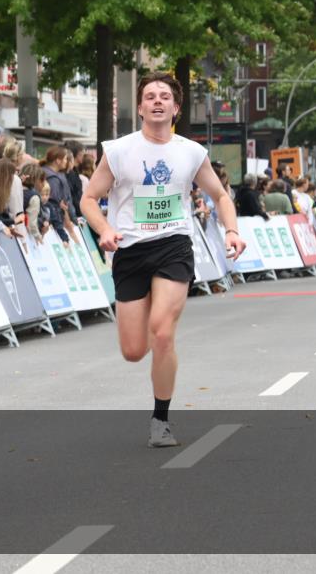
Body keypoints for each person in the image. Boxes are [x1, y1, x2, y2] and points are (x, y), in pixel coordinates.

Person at [80, 71, 245, 448]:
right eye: (150, 96)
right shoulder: (119, 151)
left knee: (163, 332)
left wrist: (232, 230)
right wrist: (104, 229)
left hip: (174, 244)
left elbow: (220, 196)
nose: (157, 101)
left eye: (165, 96)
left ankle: (161, 419)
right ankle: (155, 360)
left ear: (176, 108)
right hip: (130, 250)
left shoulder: (191, 152)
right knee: (133, 350)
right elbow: (88, 199)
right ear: (140, 107)